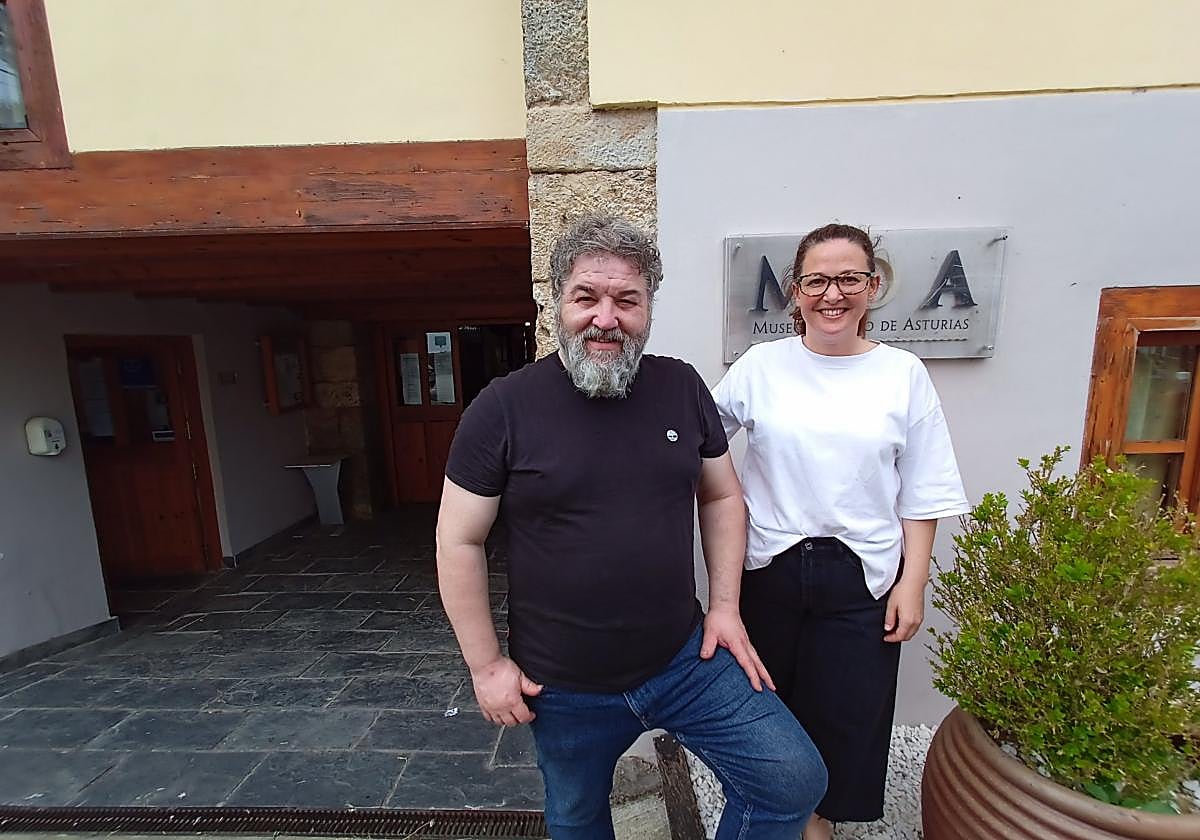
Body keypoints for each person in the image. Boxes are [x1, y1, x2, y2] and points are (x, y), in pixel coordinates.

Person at [436, 214, 827, 840]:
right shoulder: (502, 408)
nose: (606, 318)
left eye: (627, 300)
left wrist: (725, 607)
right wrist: (486, 667)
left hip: (685, 660)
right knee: (578, 821)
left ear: (648, 308)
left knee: (791, 779)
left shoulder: (680, 386)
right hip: (561, 685)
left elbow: (722, 494)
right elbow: (458, 539)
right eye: (586, 298)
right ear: (557, 302)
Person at [712, 223, 970, 840]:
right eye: (817, 281)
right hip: (770, 566)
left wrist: (913, 583)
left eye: (849, 279)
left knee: (848, 707)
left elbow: (924, 489)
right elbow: (700, 444)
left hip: (863, 576)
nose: (833, 294)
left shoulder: (902, 373)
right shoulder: (761, 366)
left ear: (873, 286)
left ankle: (819, 818)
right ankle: (767, 805)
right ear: (796, 291)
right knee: (764, 701)